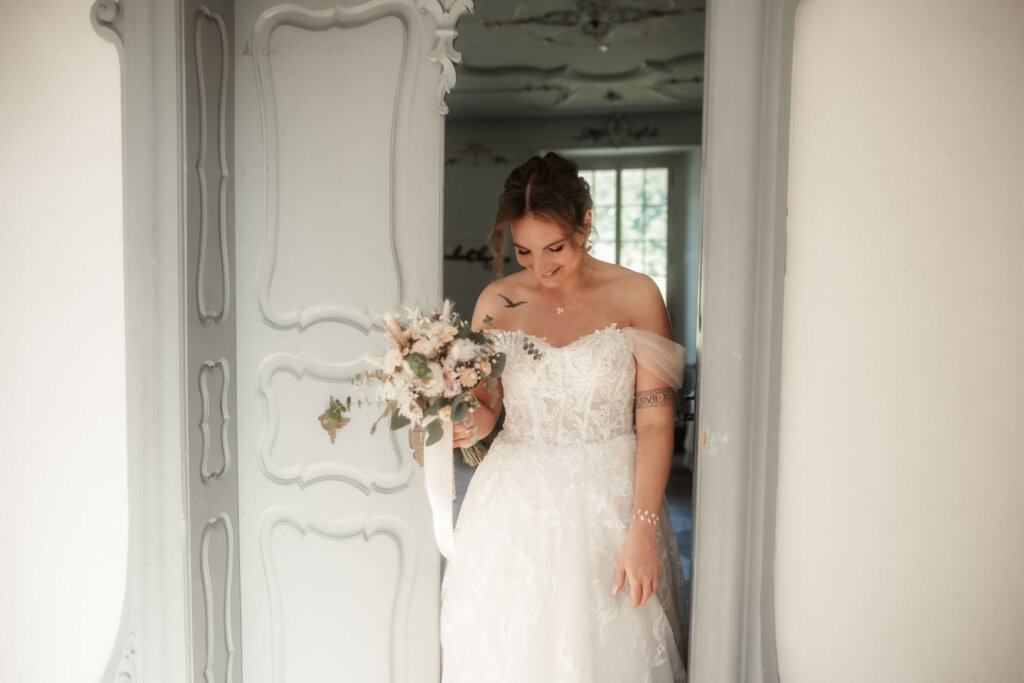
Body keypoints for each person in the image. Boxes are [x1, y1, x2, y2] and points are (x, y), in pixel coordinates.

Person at [439, 152, 687, 682]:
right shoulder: (497, 300)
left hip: (611, 502)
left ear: (585, 224)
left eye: (555, 248)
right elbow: (488, 408)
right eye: (524, 251)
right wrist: (466, 424)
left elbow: (654, 423)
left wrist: (642, 529)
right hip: (513, 504)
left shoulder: (636, 294)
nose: (540, 265)